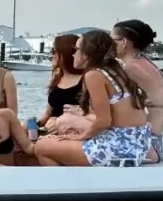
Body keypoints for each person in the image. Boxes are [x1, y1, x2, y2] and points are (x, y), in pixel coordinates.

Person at [33, 30, 151, 167]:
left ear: (87, 54)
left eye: (76, 49)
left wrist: (80, 137)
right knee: (58, 138)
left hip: (117, 148)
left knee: (42, 147)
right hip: (135, 144)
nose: (73, 54)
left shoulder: (94, 75)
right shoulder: (114, 71)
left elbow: (104, 121)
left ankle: (65, 186)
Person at [113, 19, 163, 162]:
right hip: (155, 143)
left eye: (112, 40)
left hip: (144, 145)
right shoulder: (148, 64)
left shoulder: (130, 69)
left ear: (124, 42)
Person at [37, 33, 84, 131]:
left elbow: (90, 115)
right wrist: (35, 124)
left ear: (65, 54)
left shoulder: (85, 81)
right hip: (51, 129)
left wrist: (59, 122)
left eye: (54, 51)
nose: (51, 55)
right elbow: (48, 113)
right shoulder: (57, 78)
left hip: (71, 130)